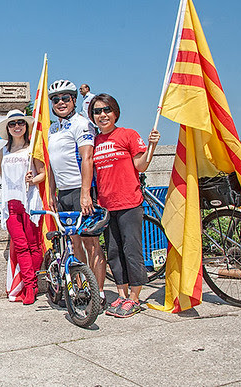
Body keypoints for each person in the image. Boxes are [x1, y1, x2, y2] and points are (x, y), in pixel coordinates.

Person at [88, 93, 160, 318]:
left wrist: (152, 146)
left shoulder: (128, 134)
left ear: (115, 112)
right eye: (97, 111)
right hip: (106, 206)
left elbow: (141, 165)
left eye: (106, 110)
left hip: (129, 202)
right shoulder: (95, 142)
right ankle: (121, 294)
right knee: (114, 252)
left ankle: (135, 298)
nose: (102, 115)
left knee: (131, 250)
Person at [46, 79, 107, 305]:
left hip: (81, 190)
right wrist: (52, 192)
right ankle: (82, 290)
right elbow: (52, 163)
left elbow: (87, 158)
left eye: (65, 98)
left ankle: (99, 293)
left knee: (91, 244)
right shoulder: (53, 128)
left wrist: (85, 194)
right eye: (55, 99)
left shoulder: (82, 124)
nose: (60, 102)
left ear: (73, 100)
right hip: (63, 193)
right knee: (74, 243)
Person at [0, 109, 45, 305]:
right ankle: (29, 285)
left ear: (26, 126)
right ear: (8, 129)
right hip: (11, 204)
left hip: (30, 202)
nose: (17, 126)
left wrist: (33, 179)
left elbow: (43, 173)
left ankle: (31, 286)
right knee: (20, 246)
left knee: (34, 246)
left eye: (20, 123)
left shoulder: (32, 149)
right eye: (12, 124)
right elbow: (4, 179)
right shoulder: (3, 152)